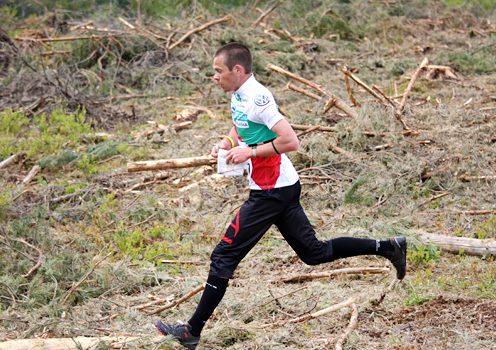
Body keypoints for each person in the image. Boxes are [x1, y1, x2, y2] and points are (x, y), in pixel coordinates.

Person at [154, 42, 406, 350]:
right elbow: (240, 127)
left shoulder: (259, 99)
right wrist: (225, 143)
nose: (214, 77)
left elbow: (291, 140)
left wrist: (250, 152)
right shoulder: (238, 95)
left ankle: (191, 331)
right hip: (281, 185)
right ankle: (389, 247)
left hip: (272, 191)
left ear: (237, 70)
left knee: (223, 256)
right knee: (314, 253)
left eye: (218, 71)